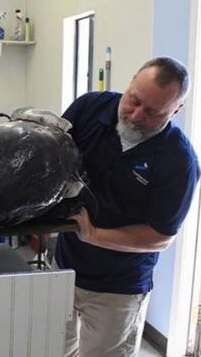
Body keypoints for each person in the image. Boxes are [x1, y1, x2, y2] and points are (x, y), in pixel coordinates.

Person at [55, 57, 200, 356]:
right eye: (133, 99)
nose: (135, 115)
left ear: (176, 111)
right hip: (64, 269)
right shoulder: (88, 109)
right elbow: (52, 153)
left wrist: (94, 235)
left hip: (118, 288)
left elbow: (160, 237)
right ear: (131, 82)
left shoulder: (179, 161)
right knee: (52, 348)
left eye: (152, 112)